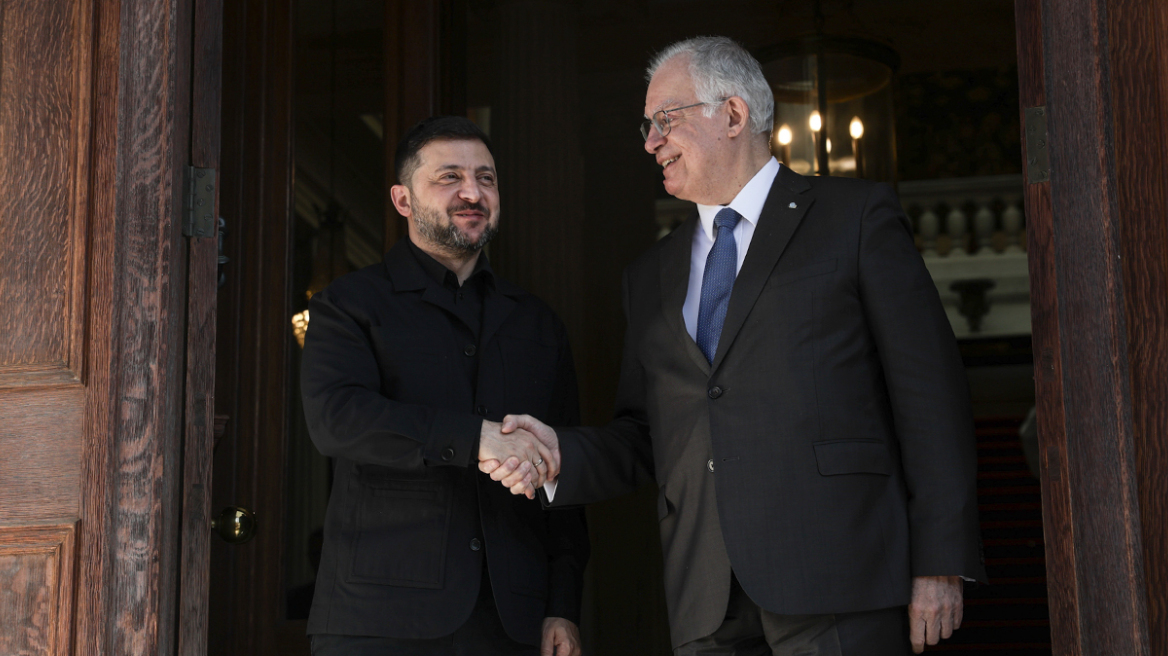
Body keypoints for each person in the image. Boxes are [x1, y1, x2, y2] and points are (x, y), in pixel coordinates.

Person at [483, 36, 986, 655]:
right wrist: (559, 453)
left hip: (840, 580)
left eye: (665, 119)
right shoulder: (650, 274)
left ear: (733, 114)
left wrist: (939, 560)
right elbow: (645, 434)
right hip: (706, 599)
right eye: (647, 126)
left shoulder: (855, 218)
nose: (650, 142)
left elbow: (929, 396)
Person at [301, 116, 588, 656]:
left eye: (486, 178)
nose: (472, 193)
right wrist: (477, 439)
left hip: (511, 622)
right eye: (449, 177)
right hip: (377, 619)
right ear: (403, 199)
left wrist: (563, 604)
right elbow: (337, 419)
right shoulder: (349, 304)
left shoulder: (538, 324)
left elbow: (562, 473)